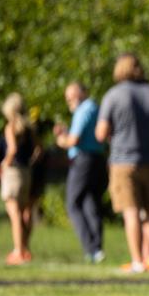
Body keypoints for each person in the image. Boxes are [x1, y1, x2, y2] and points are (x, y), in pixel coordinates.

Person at [96, 53, 149, 272]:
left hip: (123, 161)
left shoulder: (113, 95)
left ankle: (138, 261)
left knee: (131, 212)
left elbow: (101, 133)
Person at [54, 82, 108, 262]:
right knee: (89, 202)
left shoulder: (84, 109)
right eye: (67, 96)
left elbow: (73, 140)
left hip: (83, 160)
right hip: (96, 159)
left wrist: (61, 139)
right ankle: (97, 249)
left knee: (73, 204)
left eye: (72, 95)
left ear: (83, 93)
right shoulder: (94, 108)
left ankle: (91, 249)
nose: (69, 100)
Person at [0, 93, 41, 264]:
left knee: (14, 213)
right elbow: (39, 149)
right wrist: (30, 162)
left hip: (13, 172)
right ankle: (26, 249)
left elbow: (12, 149)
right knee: (25, 212)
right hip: (26, 172)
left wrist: (4, 164)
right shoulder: (30, 128)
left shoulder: (11, 127)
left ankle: (18, 252)